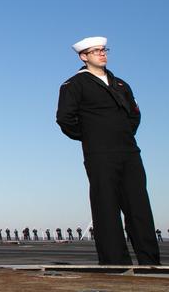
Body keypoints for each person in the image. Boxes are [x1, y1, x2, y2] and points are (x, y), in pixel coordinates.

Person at [57, 37, 160, 265]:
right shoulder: (74, 85)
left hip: (129, 151)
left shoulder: (121, 84)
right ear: (84, 57)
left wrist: (123, 134)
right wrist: (93, 137)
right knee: (106, 207)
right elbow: (65, 119)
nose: (102, 54)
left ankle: (150, 260)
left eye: (104, 50)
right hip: (99, 153)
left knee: (139, 206)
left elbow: (134, 114)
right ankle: (114, 263)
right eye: (96, 51)